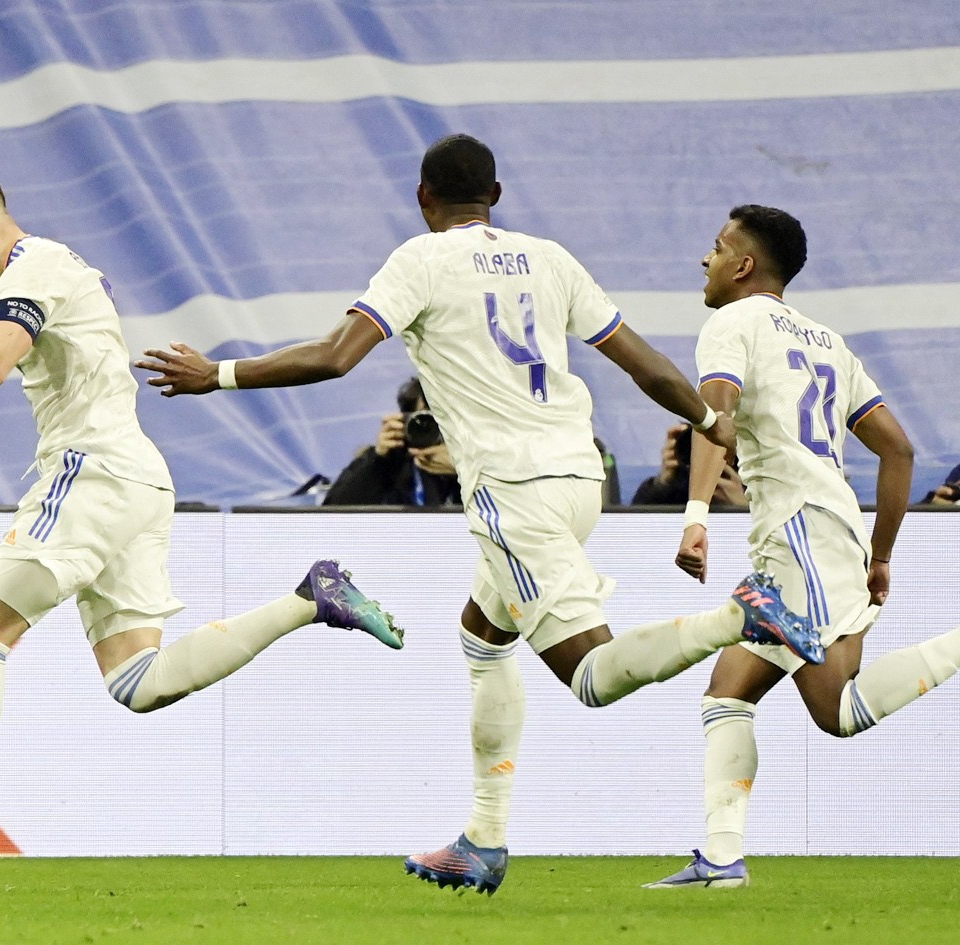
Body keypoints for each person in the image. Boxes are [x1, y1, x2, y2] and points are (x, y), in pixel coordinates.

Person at [136, 134, 823, 895]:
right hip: (577, 476)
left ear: (423, 198)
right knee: (483, 631)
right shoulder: (550, 258)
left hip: (513, 490)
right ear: (494, 196)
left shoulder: (420, 260)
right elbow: (643, 363)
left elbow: (336, 355)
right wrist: (708, 418)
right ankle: (482, 839)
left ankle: (740, 615)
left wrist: (217, 375)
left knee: (590, 676)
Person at [0, 167, 402, 882]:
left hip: (92, 472)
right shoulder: (63, 264)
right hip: (135, 478)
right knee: (137, 681)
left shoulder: (34, 268)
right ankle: (310, 597)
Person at [653, 205, 960, 890]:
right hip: (822, 534)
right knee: (725, 692)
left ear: (743, 265)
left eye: (714, 248)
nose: (703, 260)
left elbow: (714, 411)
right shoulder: (827, 341)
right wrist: (879, 554)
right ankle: (719, 858)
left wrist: (694, 514)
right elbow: (897, 447)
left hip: (798, 536)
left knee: (837, 710)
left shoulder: (729, 322)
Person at [323, 376, 463, 506]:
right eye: (426, 418)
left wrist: (464, 468)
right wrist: (378, 461)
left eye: (444, 417)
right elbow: (332, 515)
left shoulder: (477, 461)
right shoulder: (392, 460)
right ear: (408, 419)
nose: (434, 427)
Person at [630, 422, 748, 507]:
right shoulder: (680, 485)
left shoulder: (756, 479)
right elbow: (636, 529)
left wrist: (743, 508)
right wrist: (662, 485)